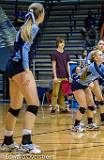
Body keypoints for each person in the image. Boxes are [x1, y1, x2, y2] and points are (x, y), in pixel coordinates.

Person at [1, 3, 45, 153]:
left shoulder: (25, 27)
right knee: (33, 104)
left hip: (11, 67)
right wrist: (26, 69)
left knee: (15, 107)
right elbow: (25, 48)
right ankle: (26, 143)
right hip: (20, 68)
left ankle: (7, 141)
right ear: (41, 14)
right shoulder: (33, 27)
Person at [71, 50, 104, 132]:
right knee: (83, 106)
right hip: (77, 84)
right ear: (95, 58)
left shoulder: (101, 66)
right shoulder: (93, 67)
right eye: (100, 55)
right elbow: (103, 76)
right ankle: (75, 126)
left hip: (85, 85)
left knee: (91, 105)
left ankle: (90, 124)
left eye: (102, 55)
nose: (103, 56)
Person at [86, 40, 104, 125]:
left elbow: (103, 72)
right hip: (87, 78)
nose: (101, 45)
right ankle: (83, 122)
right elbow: (87, 65)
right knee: (86, 101)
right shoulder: (91, 54)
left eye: (103, 44)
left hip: (95, 79)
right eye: (100, 44)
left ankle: (103, 119)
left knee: (100, 99)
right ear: (97, 46)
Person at [50, 37, 71, 114]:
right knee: (55, 93)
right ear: (57, 44)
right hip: (57, 76)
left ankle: (62, 108)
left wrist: (70, 76)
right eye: (61, 42)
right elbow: (53, 65)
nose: (62, 44)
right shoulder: (54, 53)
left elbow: (68, 65)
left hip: (65, 76)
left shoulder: (66, 54)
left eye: (63, 42)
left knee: (62, 94)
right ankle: (53, 108)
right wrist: (55, 76)